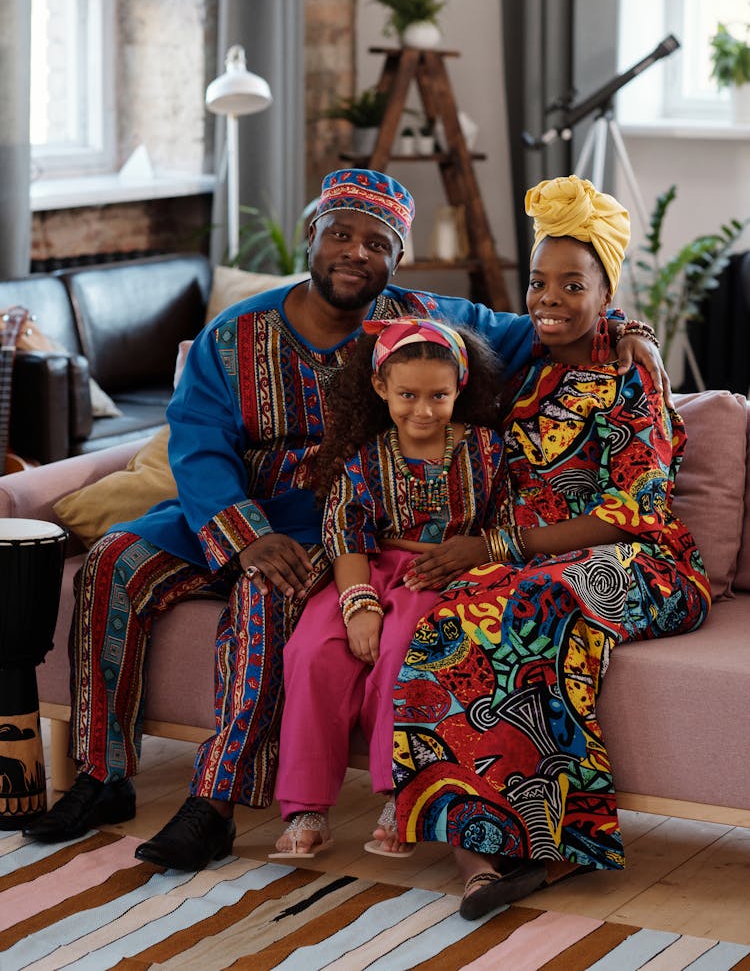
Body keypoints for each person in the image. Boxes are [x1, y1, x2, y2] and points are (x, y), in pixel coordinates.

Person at [22, 167, 667, 873]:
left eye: (377, 242)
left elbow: (542, 324)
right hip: (228, 509)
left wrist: (629, 328)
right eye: (340, 234)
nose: (355, 252)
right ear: (312, 237)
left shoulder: (423, 318)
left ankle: (214, 804)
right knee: (114, 559)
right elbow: (198, 444)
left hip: (336, 524)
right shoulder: (232, 337)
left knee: (267, 597)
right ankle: (102, 774)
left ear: (397, 258)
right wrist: (246, 534)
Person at [387, 174, 711, 920]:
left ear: (606, 294)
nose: (549, 299)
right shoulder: (519, 362)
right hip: (527, 560)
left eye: (573, 284)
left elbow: (634, 510)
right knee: (450, 618)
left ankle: (558, 843)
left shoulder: (633, 379)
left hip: (641, 564)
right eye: (538, 283)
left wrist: (496, 543)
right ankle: (478, 851)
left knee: (537, 603)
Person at [271, 317, 507, 859]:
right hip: (367, 568)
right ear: (380, 388)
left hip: (444, 574)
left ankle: (402, 796)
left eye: (438, 396)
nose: (423, 410)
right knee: (311, 650)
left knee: (405, 649)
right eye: (407, 395)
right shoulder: (363, 459)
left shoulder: (489, 452)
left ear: (459, 388)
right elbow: (346, 534)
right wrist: (358, 608)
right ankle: (306, 807)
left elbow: (503, 528)